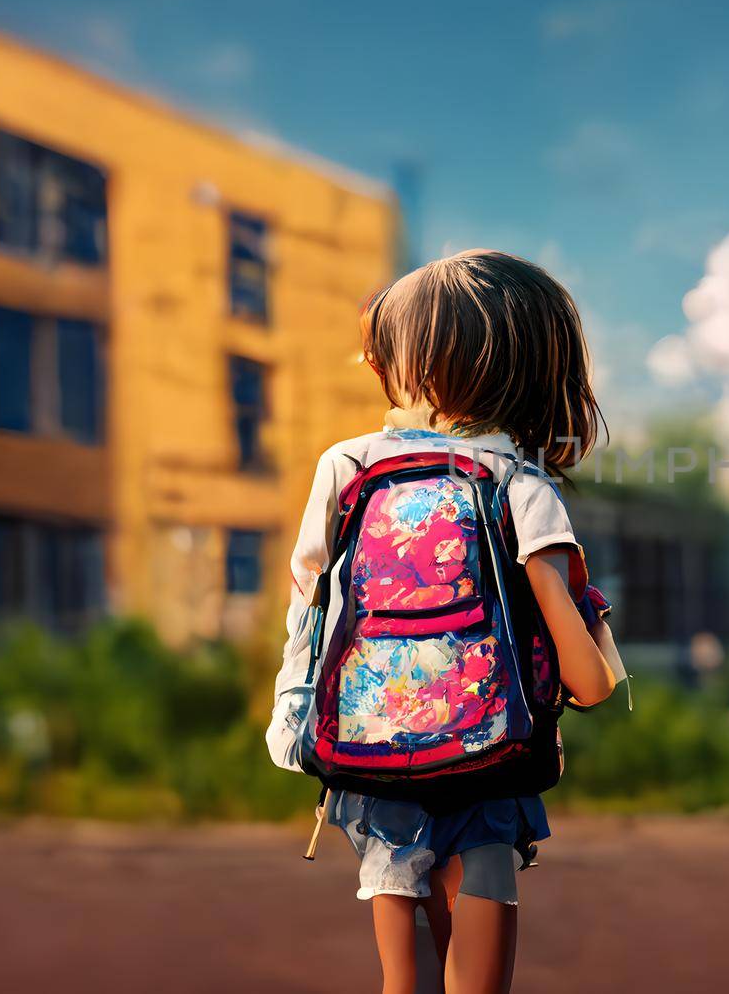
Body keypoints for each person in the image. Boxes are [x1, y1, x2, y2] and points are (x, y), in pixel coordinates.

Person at [265, 250, 625, 994]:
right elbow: (587, 677)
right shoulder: (522, 485)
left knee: (407, 981)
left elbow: (310, 604)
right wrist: (590, 649)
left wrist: (294, 714)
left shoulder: (348, 463)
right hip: (488, 765)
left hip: (374, 764)